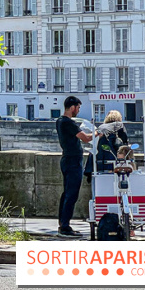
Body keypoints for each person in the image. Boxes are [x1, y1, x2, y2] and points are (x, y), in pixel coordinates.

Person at [56, 96, 93, 237]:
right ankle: (65, 227)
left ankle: (63, 224)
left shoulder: (60, 121)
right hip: (72, 162)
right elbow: (86, 138)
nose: (78, 110)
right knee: (71, 194)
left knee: (67, 193)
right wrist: (101, 133)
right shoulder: (68, 123)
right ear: (72, 107)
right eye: (78, 108)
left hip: (67, 159)